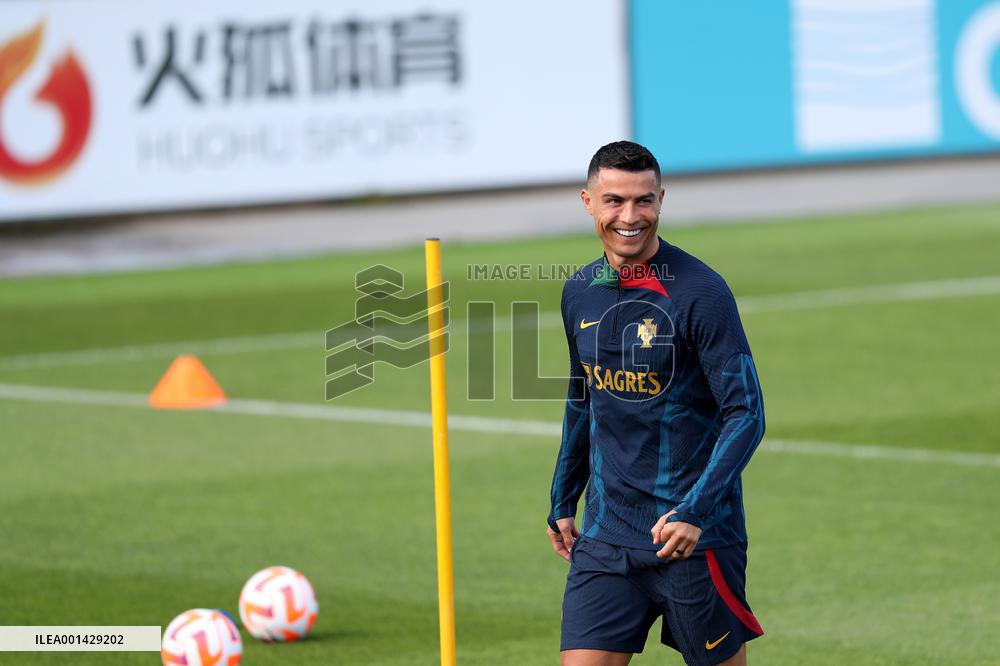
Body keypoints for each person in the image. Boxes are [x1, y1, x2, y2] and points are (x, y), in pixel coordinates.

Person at [546, 141, 766, 666]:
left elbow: (747, 413)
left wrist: (695, 511)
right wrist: (562, 496)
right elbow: (584, 398)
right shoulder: (579, 291)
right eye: (614, 200)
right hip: (605, 535)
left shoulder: (701, 292)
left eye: (643, 201)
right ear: (587, 201)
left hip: (690, 539)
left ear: (661, 199)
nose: (629, 216)